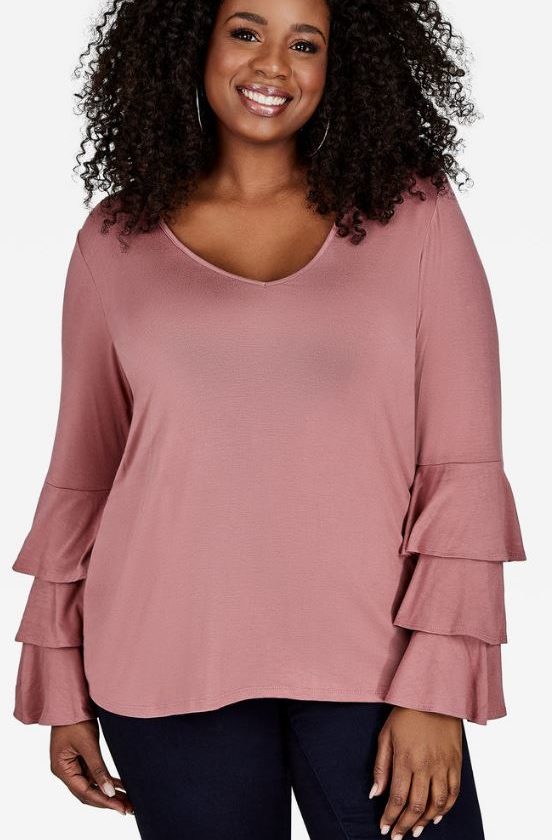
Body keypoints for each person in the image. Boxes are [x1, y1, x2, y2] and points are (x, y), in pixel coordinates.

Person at [11, 1, 527, 838]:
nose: (273, 66)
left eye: (305, 43)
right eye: (246, 32)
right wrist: (58, 677)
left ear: (340, 63)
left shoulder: (416, 213)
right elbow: (85, 474)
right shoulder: (113, 238)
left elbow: (463, 467)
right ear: (195, 42)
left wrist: (438, 687)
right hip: (161, 660)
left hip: (376, 665)